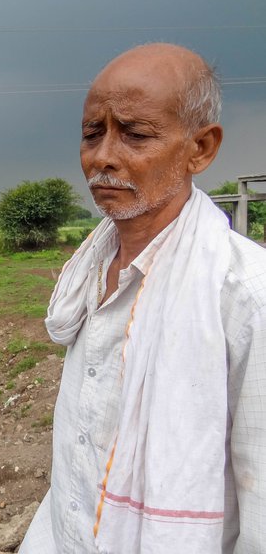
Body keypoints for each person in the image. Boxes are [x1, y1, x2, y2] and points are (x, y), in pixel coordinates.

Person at [19, 43, 266, 553]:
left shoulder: (244, 295)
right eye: (93, 133)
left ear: (200, 148)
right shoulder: (88, 272)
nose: (103, 156)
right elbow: (79, 461)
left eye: (134, 134)